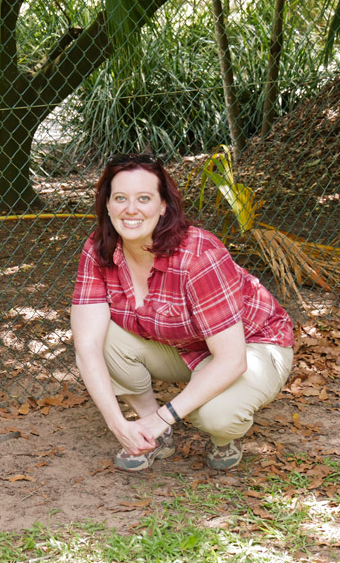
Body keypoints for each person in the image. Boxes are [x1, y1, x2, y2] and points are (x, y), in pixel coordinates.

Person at [70, 154, 294, 472]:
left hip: (251, 343)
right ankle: (153, 434)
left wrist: (165, 415)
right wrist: (117, 424)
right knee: (101, 339)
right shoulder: (99, 249)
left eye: (144, 198)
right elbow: (87, 347)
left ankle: (223, 436)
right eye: (120, 198)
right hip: (185, 345)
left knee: (215, 415)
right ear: (107, 204)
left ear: (163, 206)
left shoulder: (199, 255)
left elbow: (232, 359)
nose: (130, 209)